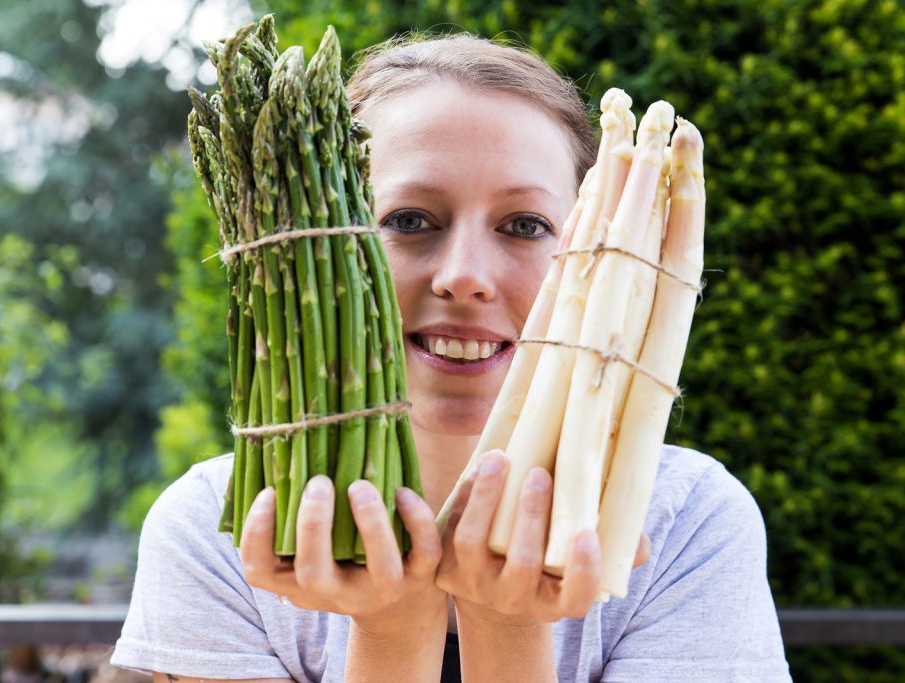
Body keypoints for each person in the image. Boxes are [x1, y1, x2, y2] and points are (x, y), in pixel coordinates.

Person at [110, 33, 791, 682]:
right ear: (316, 243)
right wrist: (391, 625)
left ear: (595, 247)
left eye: (524, 225)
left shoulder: (686, 521)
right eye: (410, 220)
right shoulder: (217, 529)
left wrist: (508, 624)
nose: (464, 276)